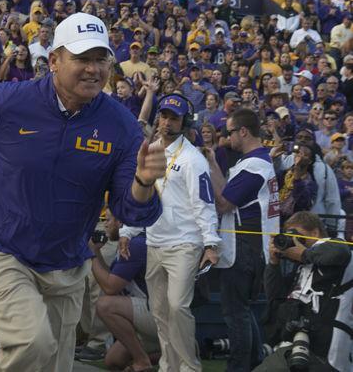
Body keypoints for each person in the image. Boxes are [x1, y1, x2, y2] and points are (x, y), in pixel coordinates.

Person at [0, 12, 166, 372]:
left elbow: (131, 211)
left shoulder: (121, 126)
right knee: (33, 342)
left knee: (54, 364)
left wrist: (144, 183)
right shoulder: (6, 101)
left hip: (66, 264)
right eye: (82, 58)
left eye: (101, 59)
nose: (93, 69)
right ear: (54, 60)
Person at [143, 93, 220, 372]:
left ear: (185, 123)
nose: (166, 122)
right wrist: (128, 230)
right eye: (163, 116)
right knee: (159, 312)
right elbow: (142, 192)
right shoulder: (151, 150)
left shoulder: (192, 158)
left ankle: (189, 367)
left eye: (173, 118)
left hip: (185, 244)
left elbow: (204, 203)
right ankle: (168, 366)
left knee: (177, 308)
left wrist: (210, 242)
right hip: (154, 241)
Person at [204, 108, 281, 372]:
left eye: (230, 132)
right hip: (250, 247)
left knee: (236, 313)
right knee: (243, 312)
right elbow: (227, 194)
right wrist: (213, 163)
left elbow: (224, 202)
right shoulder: (256, 162)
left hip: (243, 248)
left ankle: (238, 368)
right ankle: (256, 364)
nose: (227, 137)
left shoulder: (255, 165)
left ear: (243, 131)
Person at [254, 211, 352, 372]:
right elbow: (275, 297)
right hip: (296, 342)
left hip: (326, 349)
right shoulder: (303, 266)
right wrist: (273, 263)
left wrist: (304, 253)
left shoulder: (336, 247)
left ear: (315, 232)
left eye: (297, 235)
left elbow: (339, 253)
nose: (293, 240)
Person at [90, 214, 159, 372]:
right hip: (145, 314)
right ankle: (168, 352)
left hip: (157, 313)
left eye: (108, 220)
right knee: (113, 361)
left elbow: (110, 287)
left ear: (120, 222)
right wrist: (96, 252)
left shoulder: (135, 244)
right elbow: (112, 278)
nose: (105, 225)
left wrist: (91, 253)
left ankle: (143, 361)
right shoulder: (129, 242)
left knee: (105, 305)